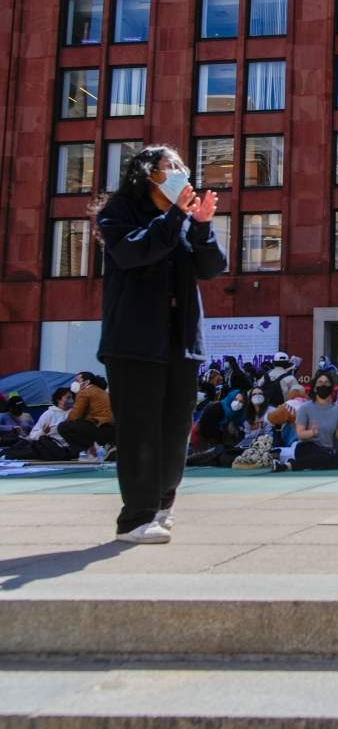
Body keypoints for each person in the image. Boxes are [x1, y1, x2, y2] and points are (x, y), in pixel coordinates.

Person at [93, 144, 225, 543]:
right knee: (140, 430)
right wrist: (175, 216)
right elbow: (135, 252)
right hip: (134, 342)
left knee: (175, 428)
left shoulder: (183, 220)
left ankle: (163, 505)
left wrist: (200, 225)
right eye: (172, 166)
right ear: (149, 173)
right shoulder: (117, 214)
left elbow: (212, 267)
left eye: (183, 166)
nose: (181, 172)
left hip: (180, 340)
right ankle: (134, 518)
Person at [272, 371, 338, 471]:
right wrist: (312, 432)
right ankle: (287, 466)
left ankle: (313, 464)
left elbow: (337, 437)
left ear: (331, 386)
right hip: (306, 447)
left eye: (326, 382)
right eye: (320, 382)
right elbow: (300, 434)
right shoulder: (305, 408)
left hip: (326, 450)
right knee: (324, 457)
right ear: (315, 388)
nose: (323, 385)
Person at [2, 388, 74, 461]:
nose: (71, 400)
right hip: (52, 446)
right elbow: (33, 435)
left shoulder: (75, 412)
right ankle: (9, 454)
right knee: (41, 441)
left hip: (70, 447)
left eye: (72, 397)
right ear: (59, 400)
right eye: (68, 398)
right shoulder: (49, 414)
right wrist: (43, 432)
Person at [58, 371, 116, 459]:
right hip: (113, 429)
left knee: (63, 427)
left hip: (99, 428)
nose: (74, 383)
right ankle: (108, 446)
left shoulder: (85, 392)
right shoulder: (103, 392)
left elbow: (75, 416)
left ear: (87, 382)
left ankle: (89, 450)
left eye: (77, 380)